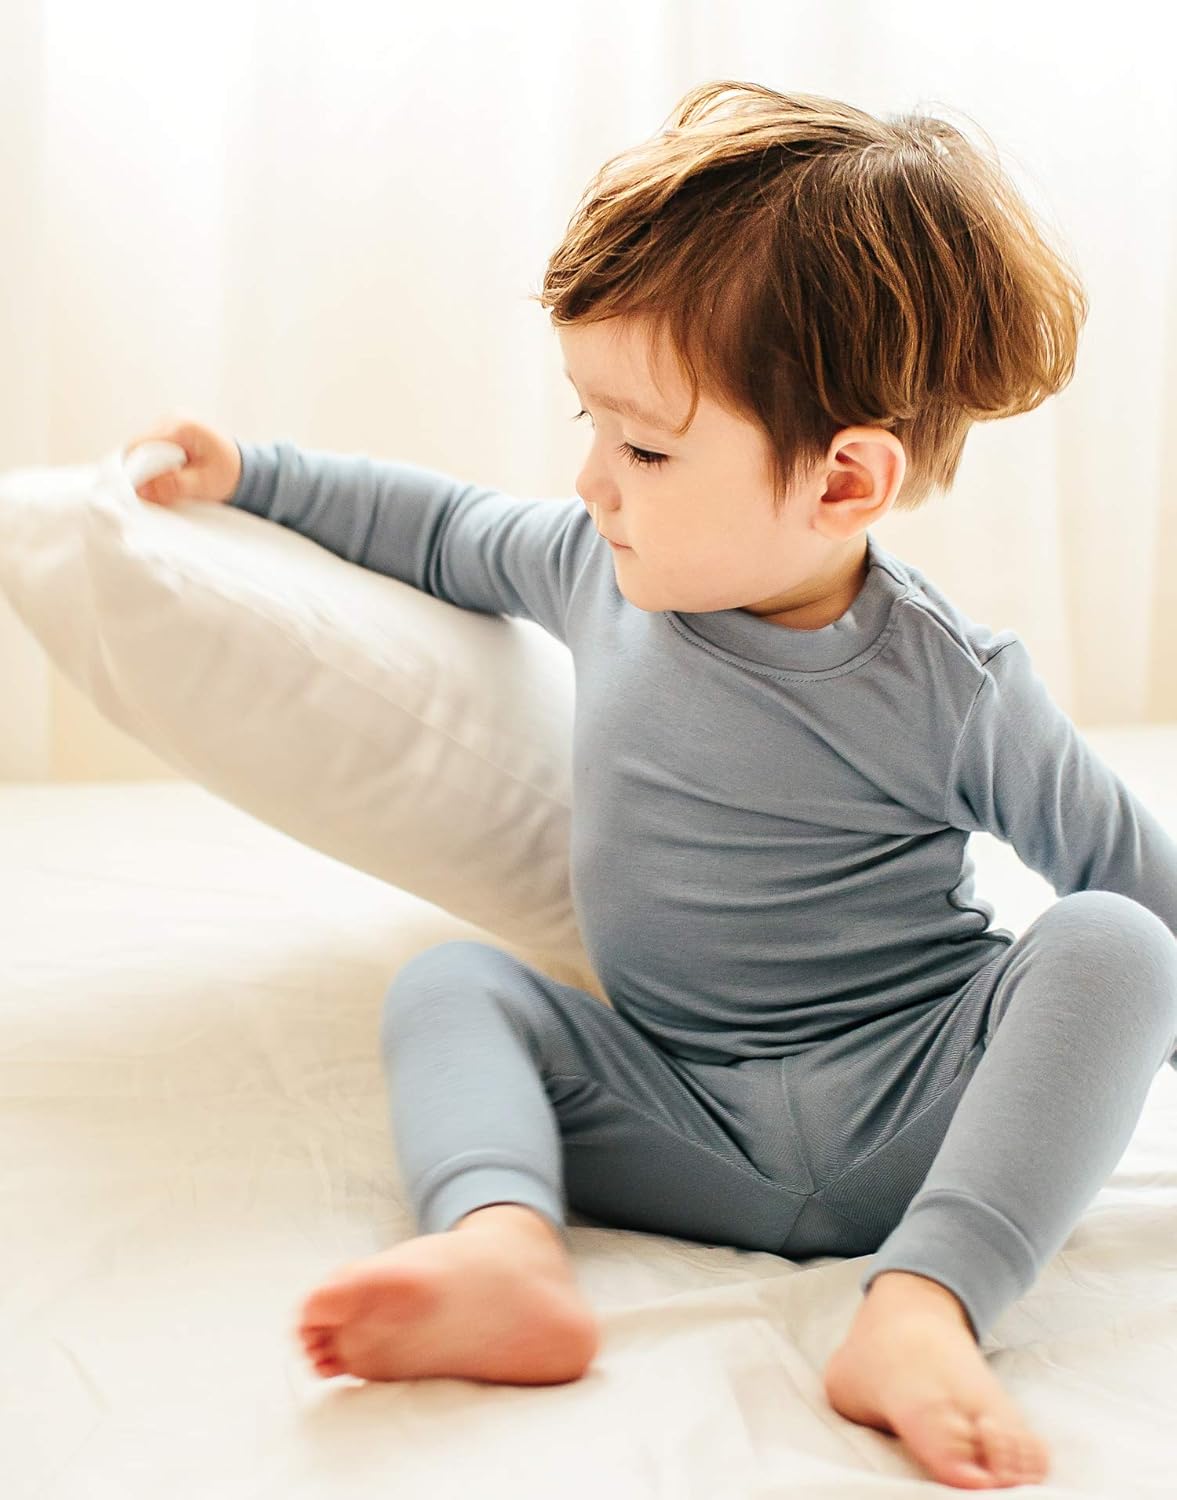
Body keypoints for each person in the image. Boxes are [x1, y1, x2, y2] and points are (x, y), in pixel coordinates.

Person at [126, 81, 1177, 1492]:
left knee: (1115, 944)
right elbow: (436, 528)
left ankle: (926, 1304)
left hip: (920, 1110)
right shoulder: (590, 570)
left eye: (645, 446)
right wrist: (255, 472)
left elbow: (1130, 874)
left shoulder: (954, 682)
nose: (592, 481)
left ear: (843, 484)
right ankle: (502, 1248)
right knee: (455, 986)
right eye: (591, 424)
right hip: (679, 1115)